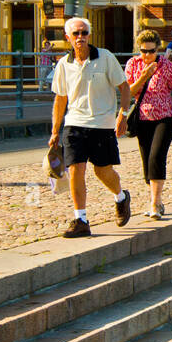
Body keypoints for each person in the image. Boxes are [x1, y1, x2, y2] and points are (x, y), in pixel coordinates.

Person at [49, 17, 132, 238]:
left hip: (102, 124)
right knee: (76, 169)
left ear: (89, 35)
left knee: (102, 171)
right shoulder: (63, 65)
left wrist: (122, 115)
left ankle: (121, 196)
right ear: (68, 37)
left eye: (84, 33)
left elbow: (124, 87)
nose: (80, 37)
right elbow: (60, 99)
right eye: (75, 34)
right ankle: (81, 219)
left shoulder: (105, 57)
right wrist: (55, 130)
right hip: (75, 124)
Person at [125, 30, 172, 219]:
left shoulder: (166, 66)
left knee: (156, 157)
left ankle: (155, 203)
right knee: (146, 162)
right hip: (142, 118)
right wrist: (144, 76)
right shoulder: (133, 65)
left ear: (157, 50)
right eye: (143, 51)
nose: (147, 55)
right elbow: (128, 92)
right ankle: (156, 199)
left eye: (151, 51)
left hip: (165, 117)